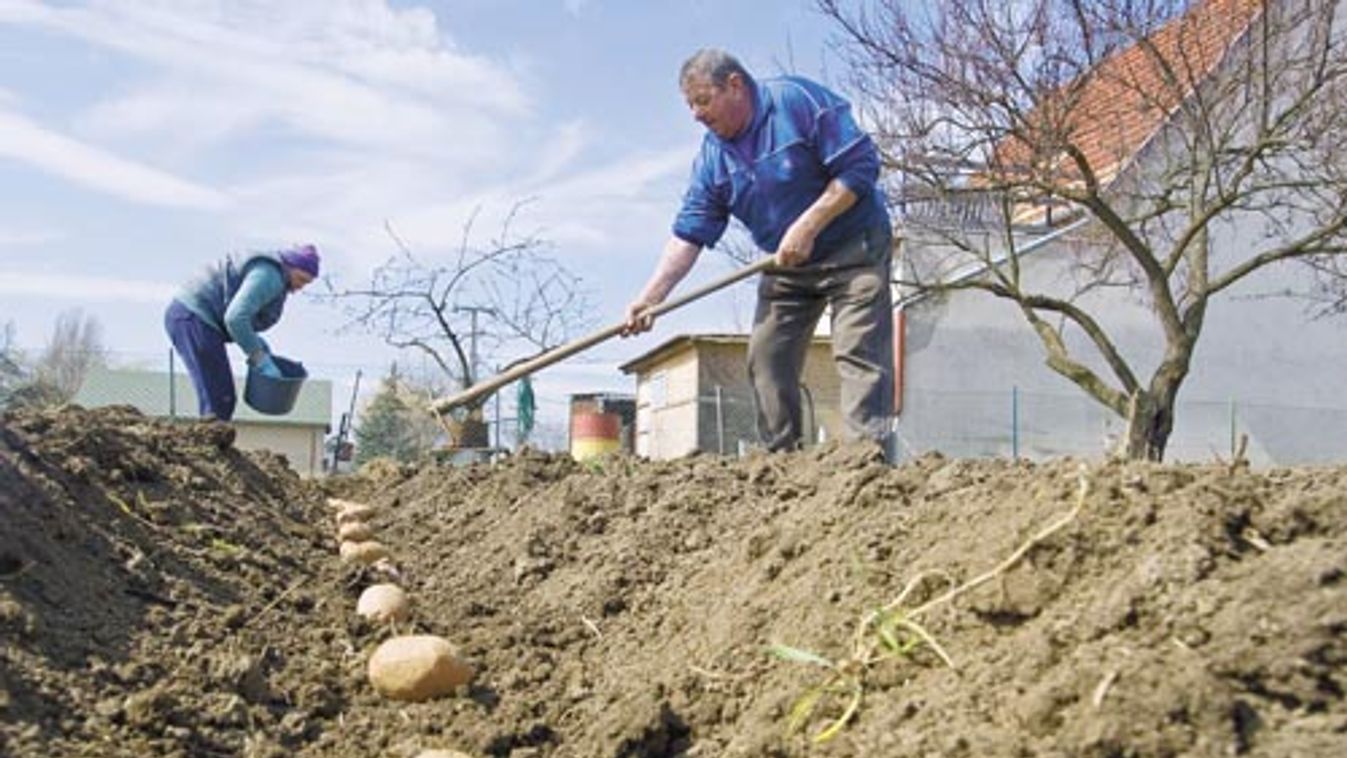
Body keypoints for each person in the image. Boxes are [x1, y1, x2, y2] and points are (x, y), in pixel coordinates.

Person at [624, 49, 894, 452]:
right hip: (787, 266)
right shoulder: (714, 158)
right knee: (768, 358)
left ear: (734, 85)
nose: (696, 115)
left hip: (854, 249)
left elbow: (860, 167)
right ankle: (781, 463)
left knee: (857, 351)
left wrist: (809, 224)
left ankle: (865, 464)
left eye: (702, 100)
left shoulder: (797, 103)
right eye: (690, 106)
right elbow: (689, 234)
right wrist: (650, 298)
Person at [164, 244, 320, 421]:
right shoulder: (269, 276)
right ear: (289, 267)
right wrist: (259, 357)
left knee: (221, 397)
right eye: (301, 279)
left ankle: (213, 443)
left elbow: (238, 315)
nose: (301, 286)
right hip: (193, 318)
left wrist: (256, 341)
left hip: (193, 318)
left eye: (307, 283)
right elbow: (236, 318)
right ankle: (210, 445)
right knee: (218, 397)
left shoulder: (272, 274)